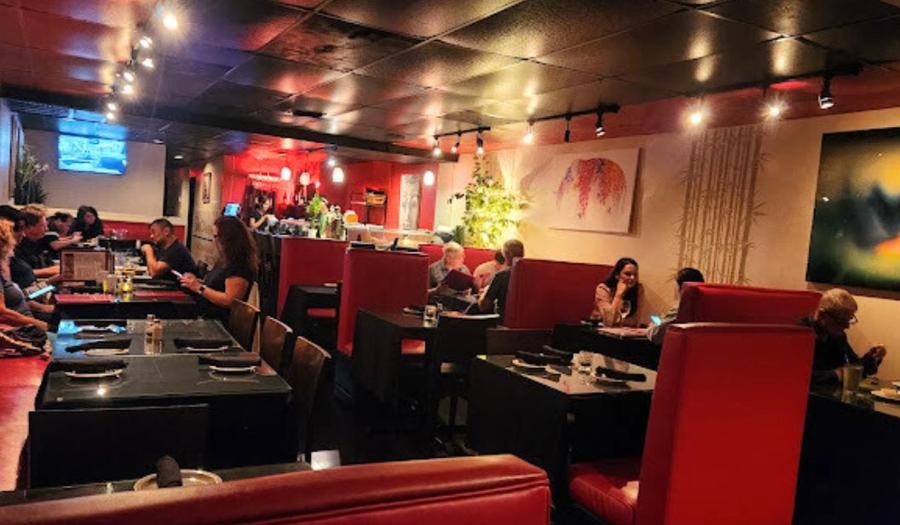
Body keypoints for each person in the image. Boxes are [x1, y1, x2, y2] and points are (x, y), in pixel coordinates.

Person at [799, 288, 887, 386]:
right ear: (822, 315)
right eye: (841, 321)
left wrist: (872, 357)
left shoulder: (838, 336)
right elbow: (797, 375)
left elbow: (855, 369)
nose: (847, 326)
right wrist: (837, 375)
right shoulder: (799, 335)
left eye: (849, 319)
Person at [179, 216, 257, 323]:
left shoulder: (239, 264)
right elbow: (216, 286)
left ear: (228, 238)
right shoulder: (224, 260)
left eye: (216, 236)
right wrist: (194, 282)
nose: (214, 240)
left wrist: (199, 287)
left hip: (220, 324)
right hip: (206, 317)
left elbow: (230, 300)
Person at [0, 219, 48, 331]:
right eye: (20, 229)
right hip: (24, 324)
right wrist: (50, 284)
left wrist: (52, 283)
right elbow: (27, 294)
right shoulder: (13, 262)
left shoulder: (13, 258)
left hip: (31, 313)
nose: (23, 234)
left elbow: (21, 296)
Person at [647, 267, 705, 345]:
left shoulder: (681, 309)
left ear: (682, 289)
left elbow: (656, 335)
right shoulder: (706, 306)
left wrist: (652, 325)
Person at [478, 239, 524, 322]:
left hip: (504, 323)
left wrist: (485, 291)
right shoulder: (534, 274)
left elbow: (483, 306)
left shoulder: (502, 276)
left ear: (505, 255)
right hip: (527, 323)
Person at [591, 257, 641, 327]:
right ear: (617, 275)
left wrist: (619, 321)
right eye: (628, 274)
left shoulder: (638, 289)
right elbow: (609, 321)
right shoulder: (603, 288)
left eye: (635, 275)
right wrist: (618, 295)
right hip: (600, 329)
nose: (632, 278)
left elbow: (635, 321)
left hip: (625, 330)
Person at [16, 205, 60, 282]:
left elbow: (49, 264)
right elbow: (20, 273)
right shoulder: (17, 248)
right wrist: (51, 271)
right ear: (29, 227)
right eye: (43, 226)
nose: (47, 229)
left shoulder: (38, 243)